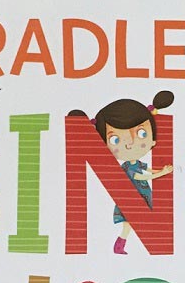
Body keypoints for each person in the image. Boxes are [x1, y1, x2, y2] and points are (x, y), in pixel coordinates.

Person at [69, 91, 175, 254]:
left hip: (143, 197)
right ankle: (119, 245)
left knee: (132, 224)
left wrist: (163, 170)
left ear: (153, 140)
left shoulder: (136, 163)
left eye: (141, 134)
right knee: (129, 223)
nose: (130, 143)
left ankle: (121, 244)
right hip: (133, 198)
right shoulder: (127, 167)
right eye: (115, 139)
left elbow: (147, 169)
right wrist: (161, 174)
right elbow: (141, 176)